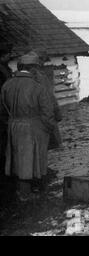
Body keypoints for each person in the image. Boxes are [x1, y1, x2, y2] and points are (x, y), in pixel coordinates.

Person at [0, 51, 56, 201]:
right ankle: (27, 193)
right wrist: (48, 128)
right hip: (33, 126)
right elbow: (47, 113)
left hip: (14, 125)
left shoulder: (7, 85)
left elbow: (2, 111)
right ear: (32, 68)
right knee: (32, 159)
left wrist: (11, 124)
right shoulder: (37, 87)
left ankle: (22, 190)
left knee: (19, 159)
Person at [0, 43, 12, 177]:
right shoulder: (1, 71)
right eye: (8, 55)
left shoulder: (5, 68)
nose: (10, 56)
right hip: (2, 107)